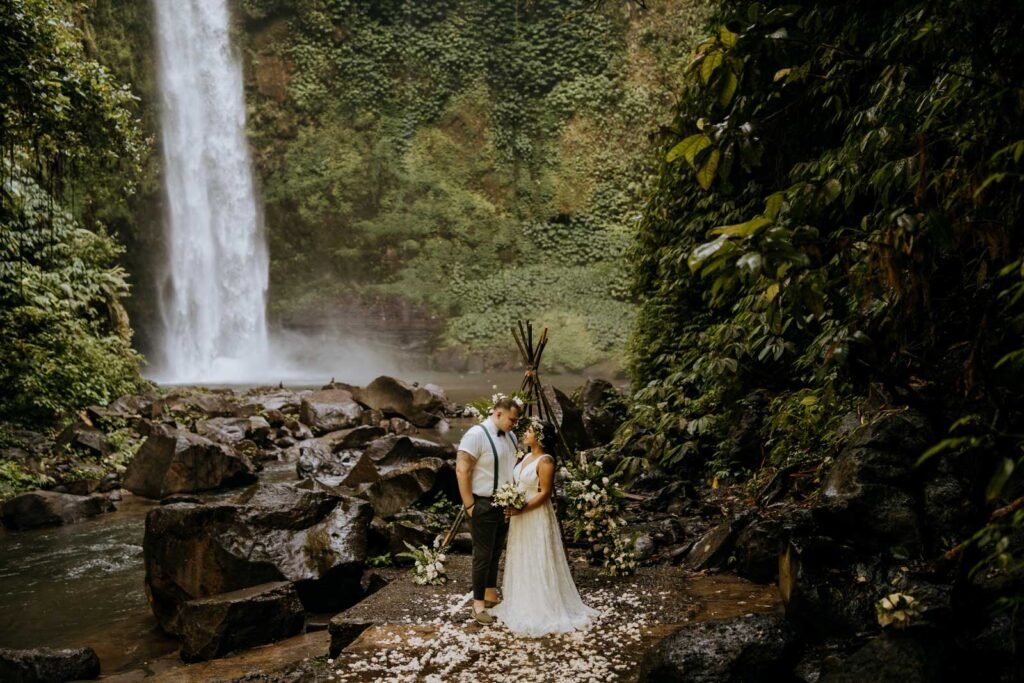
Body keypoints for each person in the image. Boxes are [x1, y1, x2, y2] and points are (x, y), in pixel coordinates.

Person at [490, 418, 599, 637]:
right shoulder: (526, 456)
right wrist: (509, 499)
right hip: (520, 514)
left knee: (538, 554)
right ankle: (522, 599)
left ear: (539, 436)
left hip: (535, 513)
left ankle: (543, 604)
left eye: (529, 431)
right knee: (522, 554)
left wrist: (521, 508)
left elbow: (544, 493)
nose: (525, 434)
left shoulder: (546, 461)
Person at [456, 396, 521, 624]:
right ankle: (478, 605)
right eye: (511, 419)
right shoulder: (476, 435)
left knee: (495, 552)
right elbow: (462, 469)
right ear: (498, 413)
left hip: (504, 503)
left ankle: (491, 594)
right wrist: (469, 505)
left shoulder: (511, 436)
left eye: (516, 421)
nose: (514, 424)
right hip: (481, 502)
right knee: (482, 555)